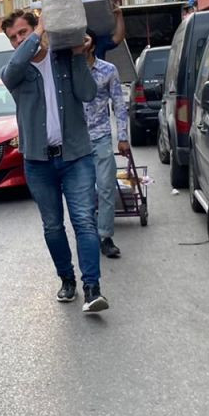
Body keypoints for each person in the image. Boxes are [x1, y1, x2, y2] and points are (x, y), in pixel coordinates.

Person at [0, 10, 108, 313]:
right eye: (14, 37)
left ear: (38, 28)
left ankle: (92, 288)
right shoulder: (15, 72)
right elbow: (12, 70)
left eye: (24, 32)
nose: (19, 39)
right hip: (38, 162)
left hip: (76, 157)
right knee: (52, 227)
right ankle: (67, 279)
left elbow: (88, 93)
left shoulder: (62, 59)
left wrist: (78, 54)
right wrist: (36, 37)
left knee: (84, 221)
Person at [84, 36, 131, 259]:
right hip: (76, 142)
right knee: (84, 193)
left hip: (101, 136)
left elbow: (119, 105)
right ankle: (87, 235)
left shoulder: (108, 70)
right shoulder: (67, 71)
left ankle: (105, 236)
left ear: (92, 45)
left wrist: (122, 137)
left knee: (105, 187)